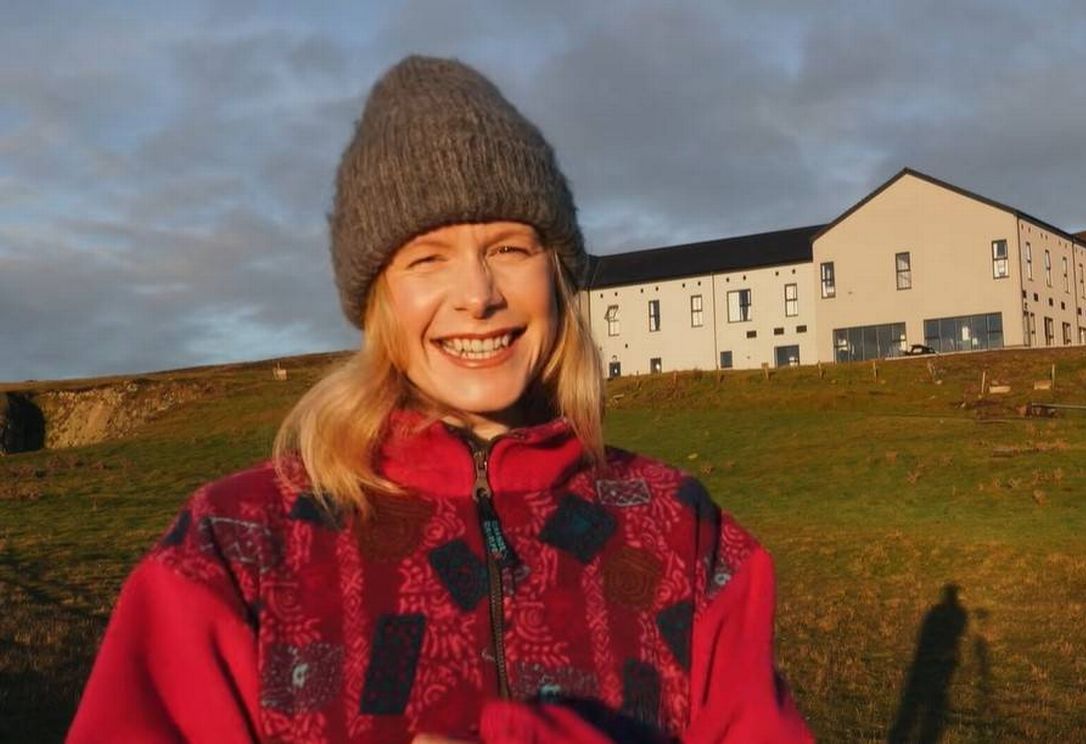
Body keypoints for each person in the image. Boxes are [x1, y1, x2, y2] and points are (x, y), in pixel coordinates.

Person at [68, 56, 814, 744]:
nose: (479, 296)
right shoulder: (235, 548)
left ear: (557, 276)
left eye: (510, 248)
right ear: (378, 299)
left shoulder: (682, 532)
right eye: (428, 259)